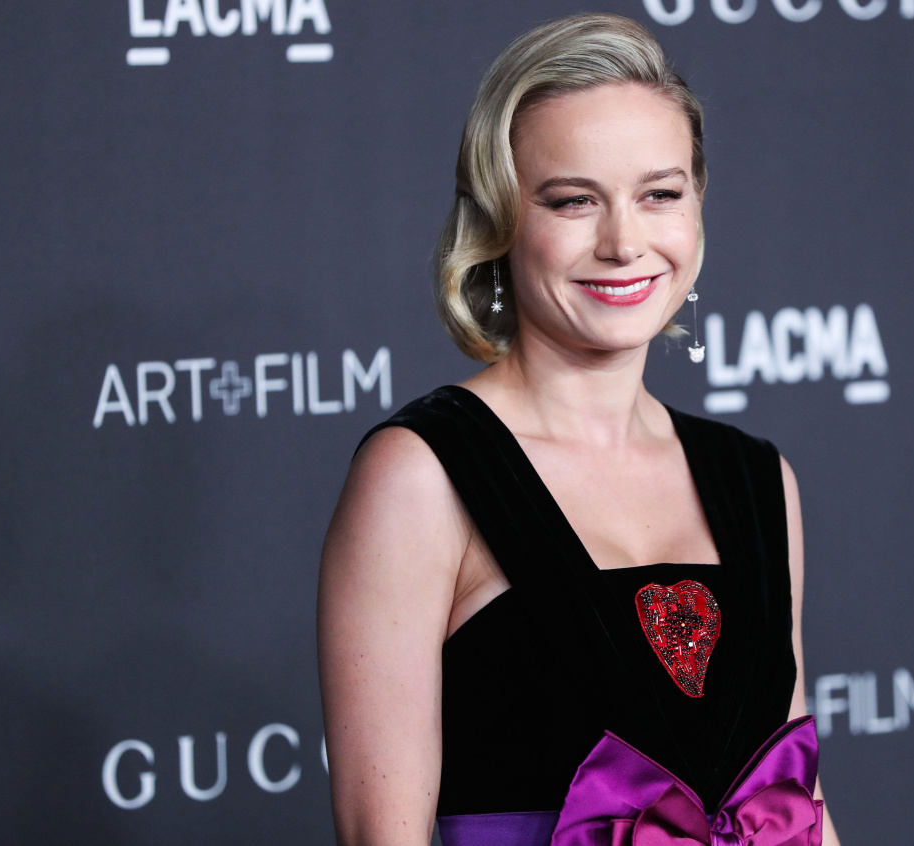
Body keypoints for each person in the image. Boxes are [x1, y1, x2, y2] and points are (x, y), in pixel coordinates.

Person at [318, 13, 842, 846]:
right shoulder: (422, 474)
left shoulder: (757, 479)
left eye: (659, 194)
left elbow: (796, 804)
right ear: (499, 220)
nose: (624, 242)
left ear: (697, 207)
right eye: (573, 201)